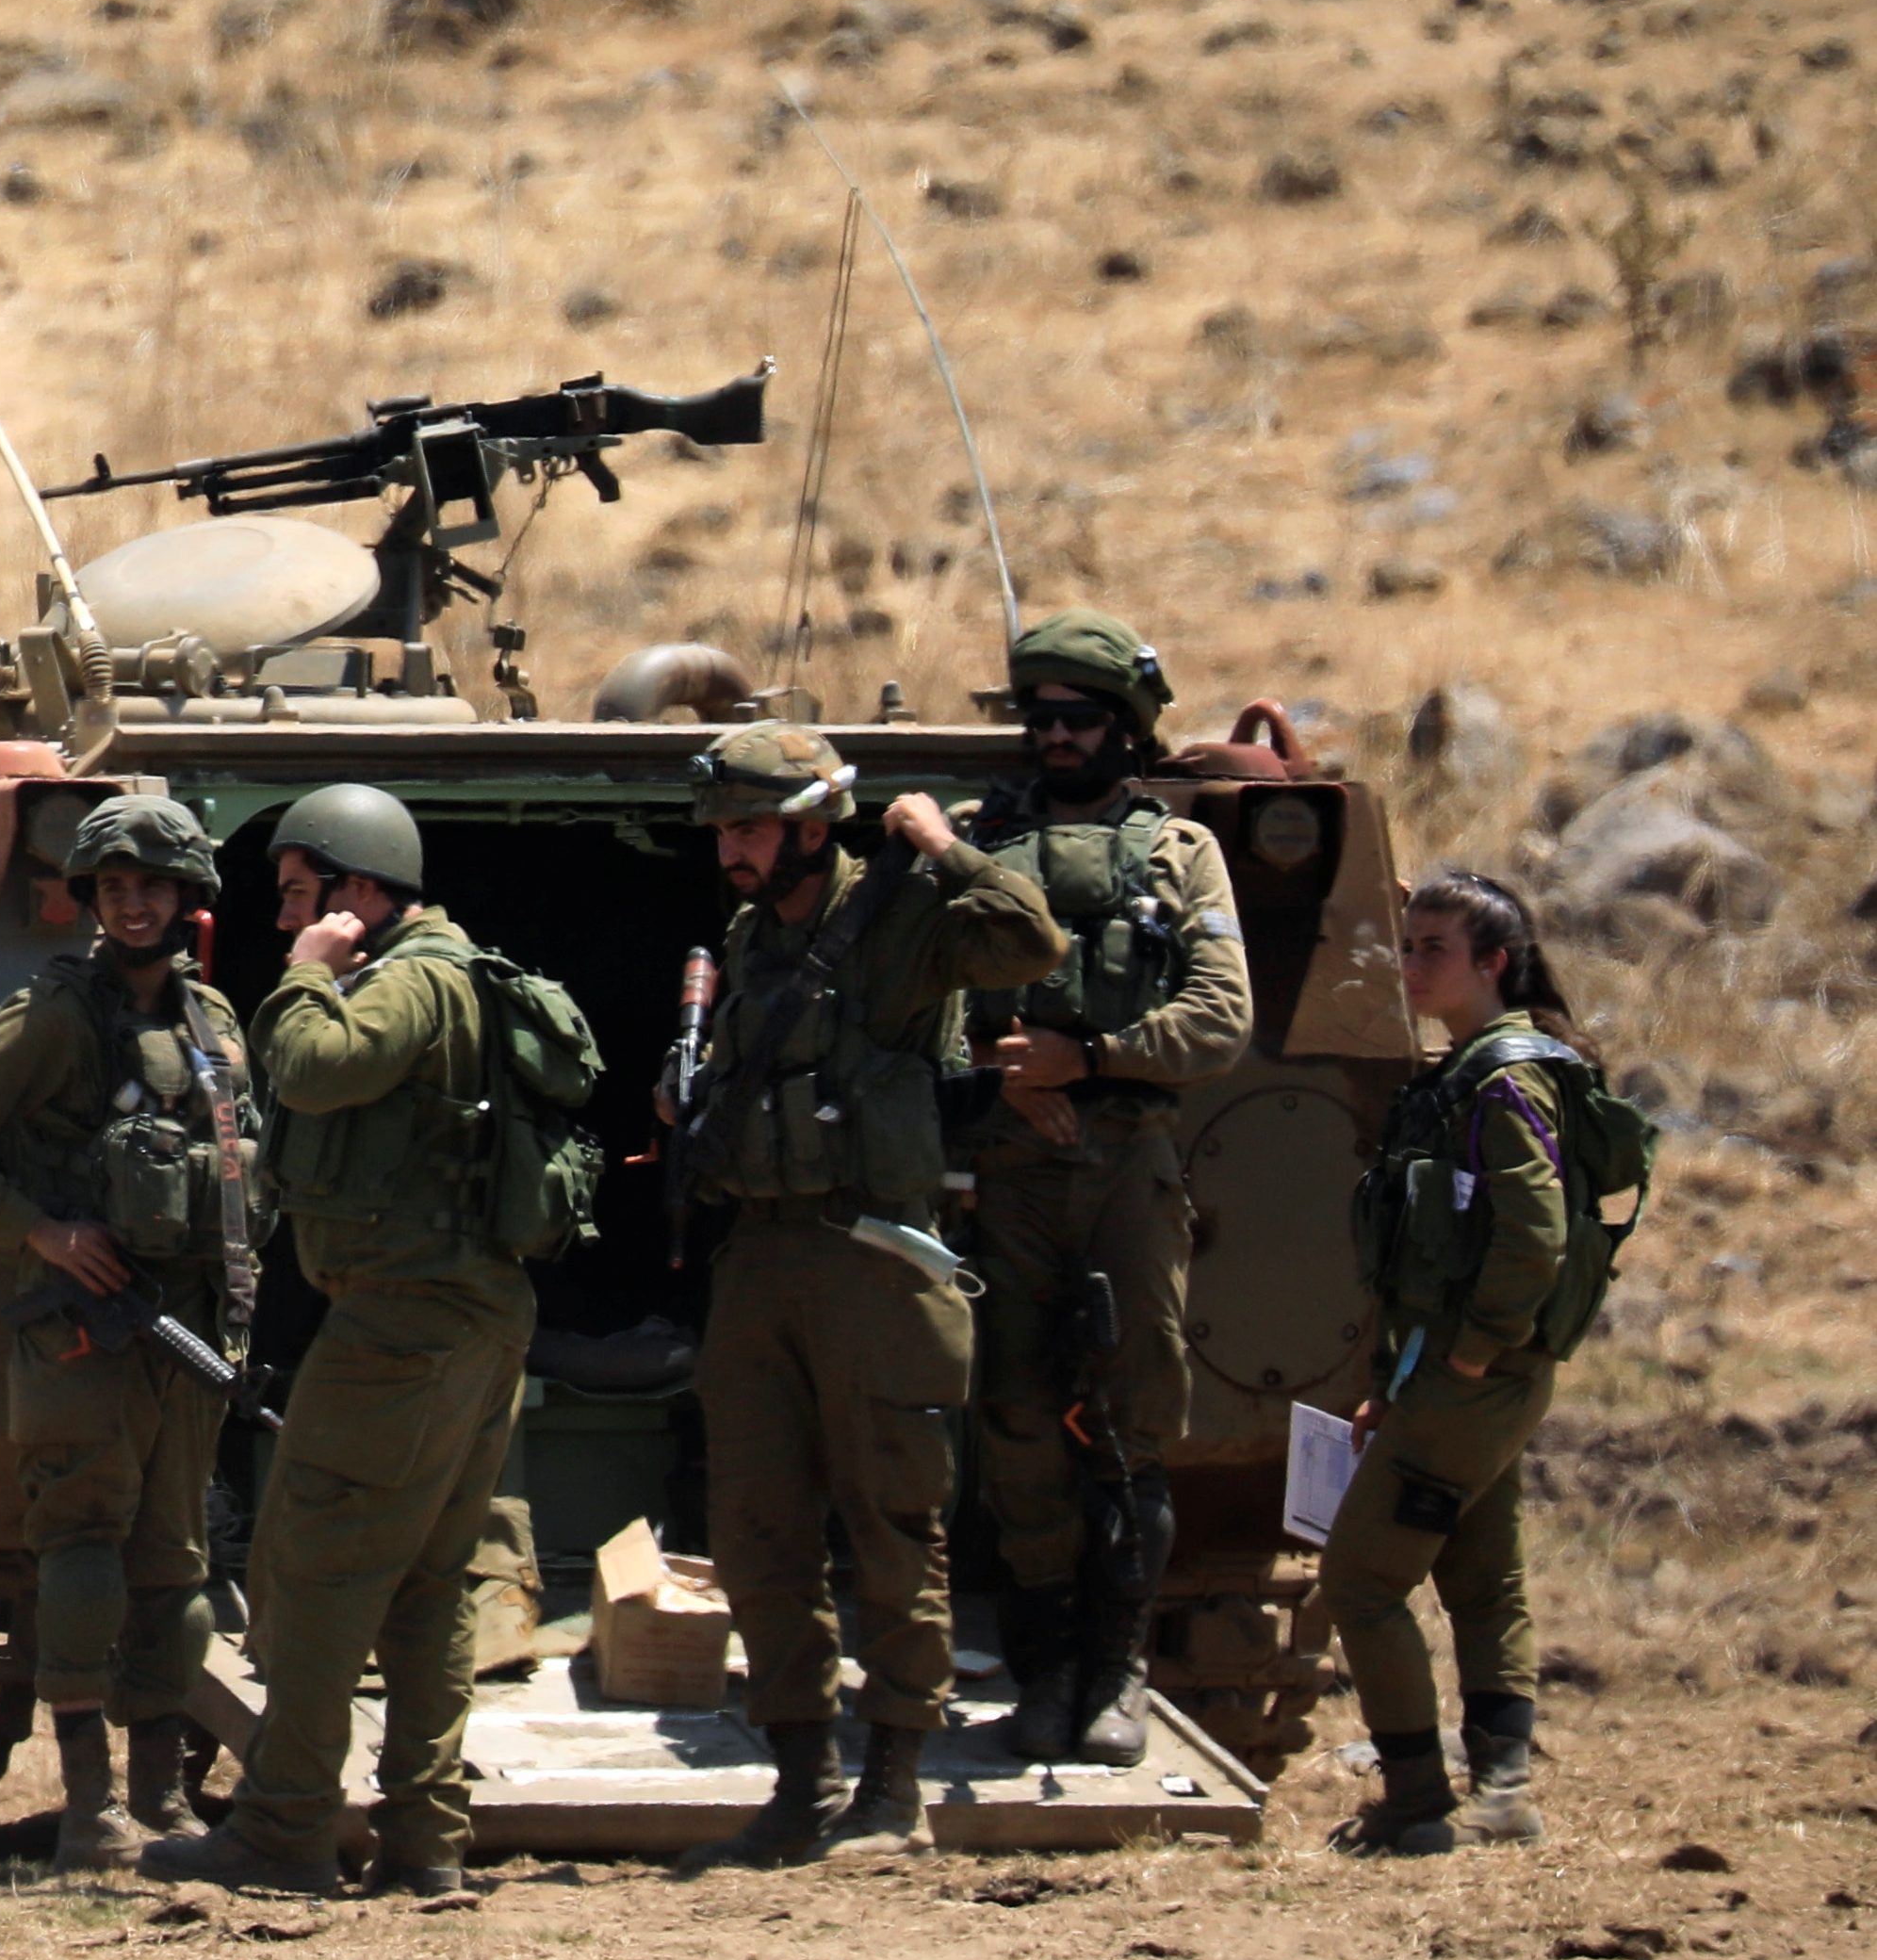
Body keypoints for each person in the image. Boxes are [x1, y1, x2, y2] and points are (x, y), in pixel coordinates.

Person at [661, 727, 1065, 1869]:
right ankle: (803, 1775)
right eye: (725, 831)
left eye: (749, 828)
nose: (732, 851)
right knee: (756, 1530)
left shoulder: (902, 915)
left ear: (810, 824)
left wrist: (944, 850)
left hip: (877, 1261)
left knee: (893, 1524)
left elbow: (1029, 943)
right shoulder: (748, 941)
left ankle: (894, 1783)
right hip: (760, 1263)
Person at [147, 784, 527, 1902]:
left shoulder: (406, 981)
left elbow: (313, 1068)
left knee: (310, 1568)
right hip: (467, 1316)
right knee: (425, 1585)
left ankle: (283, 1827)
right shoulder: (467, 973)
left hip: (402, 1322)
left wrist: (309, 971)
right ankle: (423, 1839)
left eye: (302, 895)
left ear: (360, 892)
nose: (284, 920)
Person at [0, 790, 253, 1870]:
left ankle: (162, 1794)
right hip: (82, 1332)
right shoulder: (52, 1016)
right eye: (113, 889)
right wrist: (43, 1236)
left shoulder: (214, 1022)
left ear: (184, 895)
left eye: (151, 887)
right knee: (85, 1556)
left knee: (174, 1569)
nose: (133, 906)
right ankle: (88, 1799)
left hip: (182, 1330)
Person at [957, 612, 1252, 1765]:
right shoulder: (990, 841)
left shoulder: (1177, 855)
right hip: (1017, 1165)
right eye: (1038, 718)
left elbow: (1219, 1018)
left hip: (1127, 1159)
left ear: (1125, 728)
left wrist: (1093, 1059)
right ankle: (1042, 1669)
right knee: (1020, 1419)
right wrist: (1004, 1070)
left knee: (1132, 1421)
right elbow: (930, 993)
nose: (1055, 736)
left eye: (1079, 717)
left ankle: (1116, 1671)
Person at [1317, 870, 1614, 1856]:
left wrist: (1475, 1353)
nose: (1410, 966)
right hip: (1460, 1373)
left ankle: (1413, 1798)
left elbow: (1529, 1235)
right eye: (1404, 946)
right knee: (1483, 1577)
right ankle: (1502, 1791)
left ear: (1492, 963)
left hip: (1474, 1374)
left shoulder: (1500, 1078)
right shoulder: (1474, 1068)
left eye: (1432, 949)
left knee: (1359, 1580)